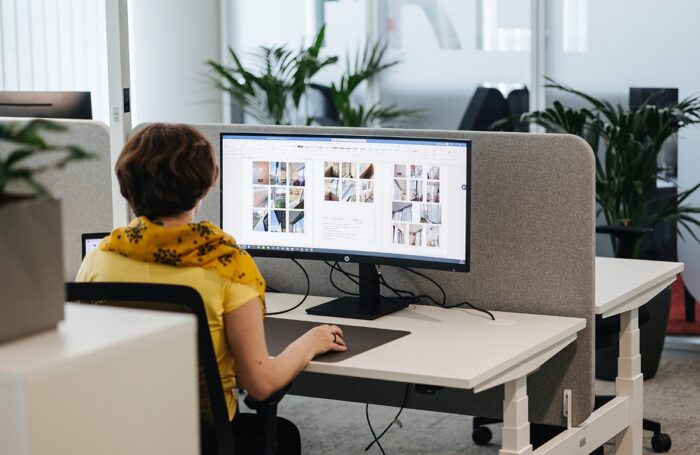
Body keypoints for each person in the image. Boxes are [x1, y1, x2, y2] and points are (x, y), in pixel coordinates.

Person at [76, 123, 346, 454]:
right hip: (203, 438)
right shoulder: (226, 264)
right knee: (283, 434)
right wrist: (310, 342)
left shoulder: (99, 258)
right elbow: (260, 386)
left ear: (127, 186)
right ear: (204, 186)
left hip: (121, 433)